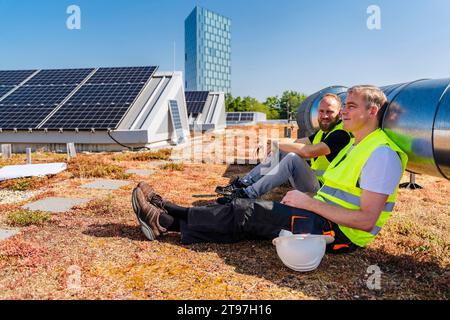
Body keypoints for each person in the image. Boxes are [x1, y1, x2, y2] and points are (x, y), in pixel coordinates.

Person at [131, 85, 408, 253]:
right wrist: (310, 201)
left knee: (248, 213)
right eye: (344, 106)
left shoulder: (381, 155)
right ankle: (167, 211)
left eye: (350, 106)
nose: (343, 112)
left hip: (338, 233)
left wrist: (308, 203)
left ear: (372, 112)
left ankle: (166, 221)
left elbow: (365, 221)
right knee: (246, 211)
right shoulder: (359, 145)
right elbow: (305, 152)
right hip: (324, 217)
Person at [215, 93, 351, 201]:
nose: (324, 116)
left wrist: (277, 144)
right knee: (285, 149)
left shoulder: (341, 134)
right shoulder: (323, 132)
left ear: (339, 113)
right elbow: (297, 141)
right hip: (314, 181)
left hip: (325, 189)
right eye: (321, 111)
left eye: (329, 112)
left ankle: (247, 194)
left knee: (292, 157)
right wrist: (271, 141)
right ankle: (243, 184)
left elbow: (310, 152)